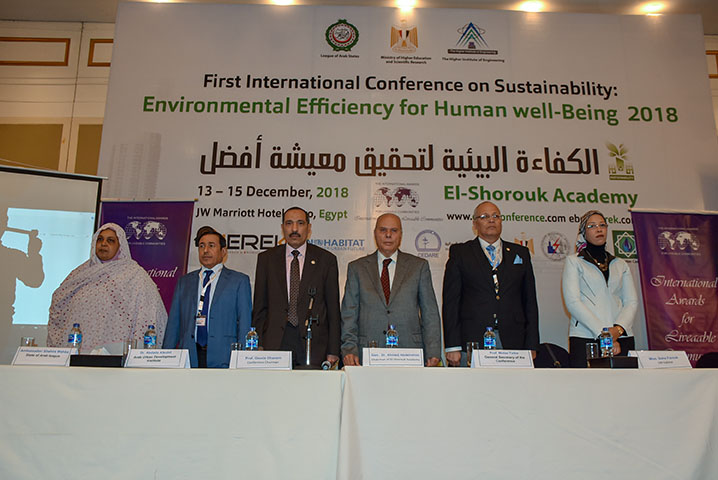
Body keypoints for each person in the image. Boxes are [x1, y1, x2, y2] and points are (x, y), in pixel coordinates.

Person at [442, 201, 539, 366]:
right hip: (472, 339)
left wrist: (531, 344)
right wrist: (453, 346)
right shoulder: (461, 253)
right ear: (475, 224)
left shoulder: (520, 253)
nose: (491, 220)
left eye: (496, 216)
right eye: (484, 216)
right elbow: (451, 302)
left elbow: (530, 301)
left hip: (514, 340)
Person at [48, 223, 167, 352]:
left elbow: (150, 310)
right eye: (100, 239)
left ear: (120, 246)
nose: (103, 244)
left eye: (110, 240)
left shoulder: (135, 275)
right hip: (78, 353)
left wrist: (139, 350)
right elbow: (59, 298)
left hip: (117, 355)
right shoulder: (80, 273)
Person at [341, 213, 441, 366]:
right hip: (367, 352)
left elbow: (430, 313)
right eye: (383, 230)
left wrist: (433, 351)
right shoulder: (357, 268)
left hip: (409, 352)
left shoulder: (418, 266)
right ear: (375, 233)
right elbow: (349, 314)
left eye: (394, 230)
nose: (388, 235)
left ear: (400, 234)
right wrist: (349, 349)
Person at [253, 206, 341, 368]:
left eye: (300, 223)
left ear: (309, 227)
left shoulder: (326, 260)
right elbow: (260, 307)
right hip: (275, 342)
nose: (294, 229)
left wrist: (333, 349)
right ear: (282, 228)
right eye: (289, 223)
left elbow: (333, 310)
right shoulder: (266, 259)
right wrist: (258, 343)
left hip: (314, 344)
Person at [163, 226, 251, 368]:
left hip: (224, 357)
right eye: (202, 246)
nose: (205, 250)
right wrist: (165, 358)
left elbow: (245, 323)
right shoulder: (184, 282)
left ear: (223, 251)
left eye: (211, 246)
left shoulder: (239, 281)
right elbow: (174, 324)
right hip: (189, 356)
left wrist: (243, 358)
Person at [562, 210, 637, 367]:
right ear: (583, 232)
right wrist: (604, 335)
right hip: (586, 336)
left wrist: (618, 330)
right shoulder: (574, 262)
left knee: (623, 381)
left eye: (602, 225)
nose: (599, 229)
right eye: (592, 226)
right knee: (587, 382)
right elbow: (573, 302)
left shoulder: (620, 264)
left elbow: (631, 302)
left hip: (622, 336)